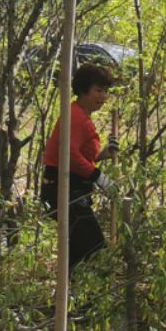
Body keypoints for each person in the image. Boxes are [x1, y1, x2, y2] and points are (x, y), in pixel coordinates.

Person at [41, 61, 116, 271]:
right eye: (98, 90)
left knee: (76, 253)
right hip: (63, 190)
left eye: (105, 91)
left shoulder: (81, 116)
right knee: (94, 249)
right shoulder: (75, 116)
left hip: (74, 189)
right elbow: (69, 155)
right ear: (84, 89)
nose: (103, 97)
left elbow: (79, 155)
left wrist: (104, 155)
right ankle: (86, 301)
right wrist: (98, 176)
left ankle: (69, 302)